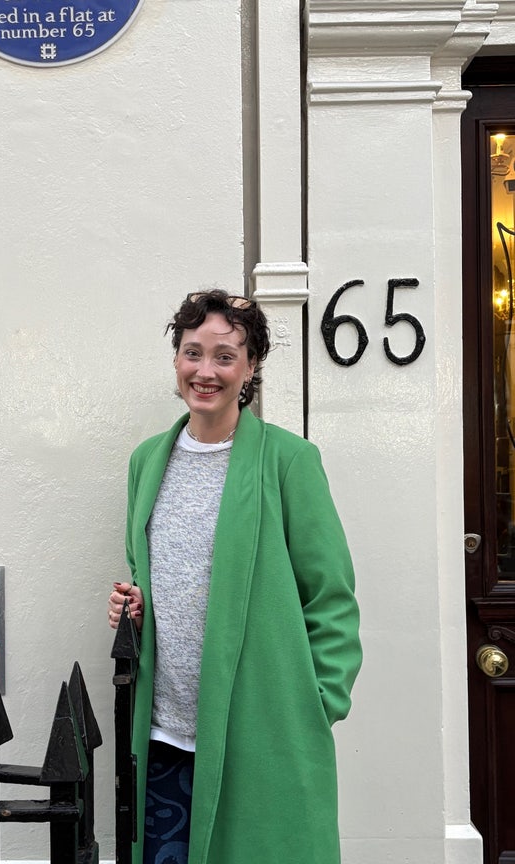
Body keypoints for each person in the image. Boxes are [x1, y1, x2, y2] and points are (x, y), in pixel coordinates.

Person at [108, 289, 362, 864]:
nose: (206, 371)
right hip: (165, 730)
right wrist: (134, 604)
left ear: (250, 369)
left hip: (262, 725)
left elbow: (332, 596)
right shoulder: (147, 460)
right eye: (193, 353)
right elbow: (150, 569)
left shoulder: (288, 461)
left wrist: (317, 701)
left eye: (225, 356)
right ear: (176, 360)